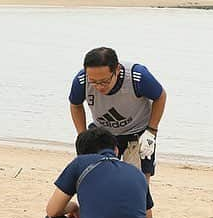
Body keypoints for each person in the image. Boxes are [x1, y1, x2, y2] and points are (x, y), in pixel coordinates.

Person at [68, 47, 166, 183]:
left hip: (137, 132)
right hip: (101, 132)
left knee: (137, 181)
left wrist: (151, 131)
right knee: (92, 177)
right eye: (94, 81)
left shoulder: (137, 77)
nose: (99, 86)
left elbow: (160, 96)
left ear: (117, 70)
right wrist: (82, 134)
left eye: (104, 81)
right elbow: (75, 104)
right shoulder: (81, 81)